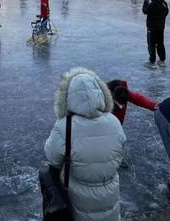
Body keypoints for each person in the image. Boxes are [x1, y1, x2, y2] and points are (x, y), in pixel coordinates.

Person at [44, 67, 126, 221]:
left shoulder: (64, 126)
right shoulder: (114, 122)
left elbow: (51, 157)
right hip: (110, 197)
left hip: (77, 202)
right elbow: (120, 154)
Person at [142, 0, 169, 68]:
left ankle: (152, 62)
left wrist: (145, 2)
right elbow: (166, 13)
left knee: (151, 45)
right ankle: (162, 60)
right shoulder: (164, 4)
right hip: (161, 28)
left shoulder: (152, 5)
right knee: (160, 44)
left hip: (151, 28)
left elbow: (145, 11)